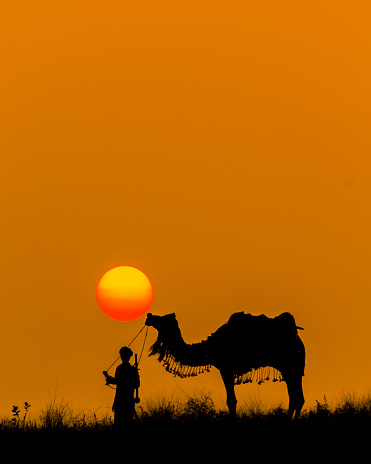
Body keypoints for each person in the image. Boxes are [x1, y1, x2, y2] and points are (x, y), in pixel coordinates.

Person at [103, 346, 140, 428]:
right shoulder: (119, 368)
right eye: (121, 355)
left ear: (128, 356)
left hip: (128, 399)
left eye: (124, 355)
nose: (122, 357)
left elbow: (136, 383)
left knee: (127, 422)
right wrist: (107, 377)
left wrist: (109, 378)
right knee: (118, 423)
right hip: (119, 399)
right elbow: (117, 381)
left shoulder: (132, 369)